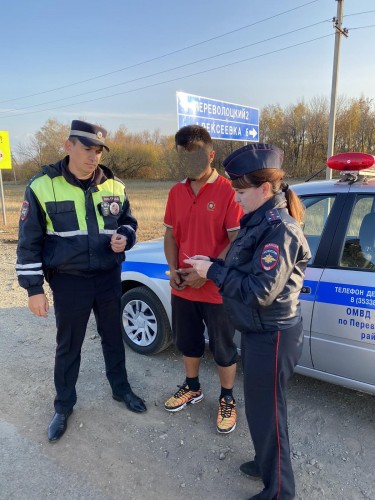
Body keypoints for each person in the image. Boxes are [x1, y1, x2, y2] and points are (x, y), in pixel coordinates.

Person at [185, 143, 311, 499]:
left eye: (240, 192)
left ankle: (280, 491)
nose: (235, 199)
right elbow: (244, 271)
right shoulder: (258, 221)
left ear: (264, 189)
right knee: (259, 410)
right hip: (258, 332)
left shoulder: (279, 229)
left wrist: (213, 272)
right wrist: (211, 265)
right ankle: (266, 461)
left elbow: (260, 291)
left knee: (270, 414)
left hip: (273, 335)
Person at [16, 120, 147, 443]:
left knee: (113, 337)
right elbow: (28, 242)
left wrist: (124, 237)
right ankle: (63, 406)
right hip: (69, 281)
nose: (93, 157)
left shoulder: (114, 186)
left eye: (98, 150)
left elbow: (129, 222)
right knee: (69, 344)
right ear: (68, 146)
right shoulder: (42, 186)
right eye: (87, 149)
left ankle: (121, 389)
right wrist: (34, 290)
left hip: (107, 275)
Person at [163, 125, 243, 434]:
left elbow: (237, 240)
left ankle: (227, 397)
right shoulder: (175, 192)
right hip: (184, 288)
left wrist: (206, 271)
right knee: (189, 343)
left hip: (216, 289)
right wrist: (173, 270)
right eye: (183, 158)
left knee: (223, 348)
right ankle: (192, 386)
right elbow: (170, 234)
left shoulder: (227, 191)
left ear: (210, 155)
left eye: (195, 157)